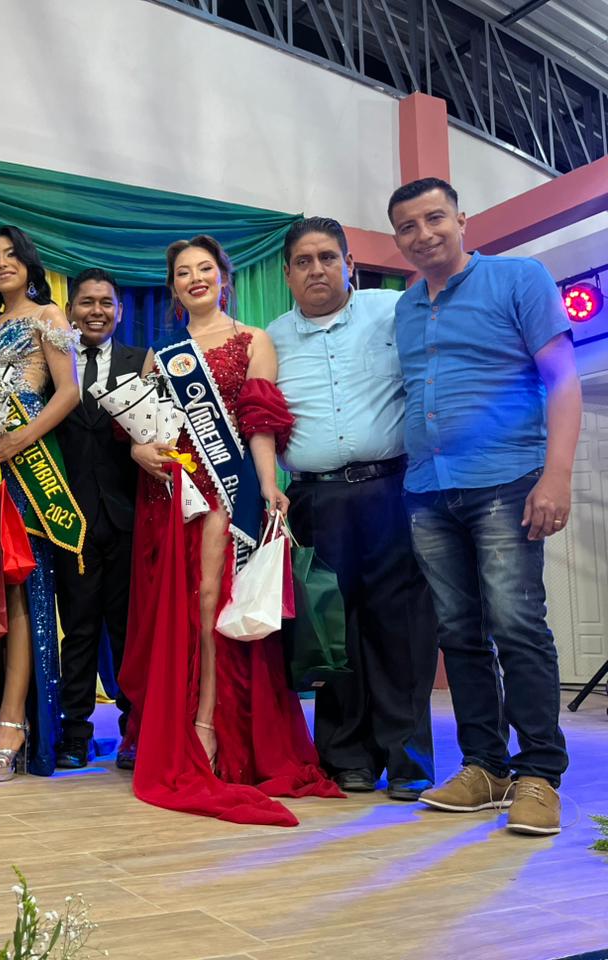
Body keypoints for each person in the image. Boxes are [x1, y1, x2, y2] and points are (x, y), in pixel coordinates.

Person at [120, 234, 342, 827]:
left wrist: (269, 486)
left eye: (205, 268)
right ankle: (179, 724)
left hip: (227, 489)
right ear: (173, 287)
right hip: (173, 495)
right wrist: (139, 449)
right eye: (183, 272)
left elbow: (258, 423)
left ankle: (210, 725)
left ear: (224, 277)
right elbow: (143, 425)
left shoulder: (253, 340)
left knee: (212, 604)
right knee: (178, 609)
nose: (195, 278)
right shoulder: (163, 353)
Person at [388, 178, 581, 836]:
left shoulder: (519, 279)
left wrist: (556, 476)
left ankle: (539, 774)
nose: (423, 234)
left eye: (435, 218)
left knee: (517, 624)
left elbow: (562, 379)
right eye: (408, 226)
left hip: (507, 479)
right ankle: (485, 768)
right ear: (398, 239)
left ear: (462, 219)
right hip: (427, 489)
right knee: (458, 633)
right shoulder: (405, 308)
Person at [267, 218, 438, 800]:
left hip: (394, 489)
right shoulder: (272, 339)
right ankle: (347, 758)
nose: (317, 269)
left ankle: (408, 759)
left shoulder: (391, 311)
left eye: (327, 257)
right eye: (303, 261)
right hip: (315, 498)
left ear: (349, 265)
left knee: (402, 625)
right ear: (287, 274)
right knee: (331, 629)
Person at [0, 226, 82, 781]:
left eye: (12, 255)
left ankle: (13, 724)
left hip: (31, 468)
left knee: (19, 589)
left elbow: (68, 391)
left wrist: (20, 438)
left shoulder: (48, 316)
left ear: (30, 262)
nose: (2, 264)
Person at [50, 269, 146, 770]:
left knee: (129, 631)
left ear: (119, 311)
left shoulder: (141, 362)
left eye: (105, 302)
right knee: (79, 630)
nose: (96, 311)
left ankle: (135, 731)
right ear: (71, 310)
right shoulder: (54, 364)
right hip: (70, 520)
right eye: (86, 302)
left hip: (128, 520)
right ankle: (74, 734)